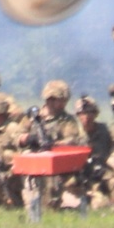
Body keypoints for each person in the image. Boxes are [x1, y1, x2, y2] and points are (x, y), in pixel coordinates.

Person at [18, 79, 82, 211]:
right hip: (34, 158)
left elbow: (72, 139)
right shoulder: (33, 117)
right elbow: (18, 136)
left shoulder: (67, 120)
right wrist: (28, 139)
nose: (63, 103)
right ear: (50, 99)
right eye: (60, 100)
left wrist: (54, 144)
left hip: (56, 161)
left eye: (64, 100)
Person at [66, 95, 114, 210]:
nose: (86, 117)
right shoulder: (74, 133)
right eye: (81, 113)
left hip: (103, 172)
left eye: (89, 113)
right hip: (81, 176)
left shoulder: (106, 131)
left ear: (96, 114)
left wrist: (111, 162)